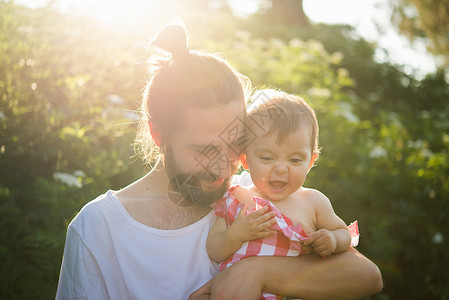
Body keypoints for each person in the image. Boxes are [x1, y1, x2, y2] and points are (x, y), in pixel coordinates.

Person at [56, 24, 382, 300]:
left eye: (235, 145)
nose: (223, 168)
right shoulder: (99, 229)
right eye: (203, 150)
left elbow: (366, 276)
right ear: (159, 134)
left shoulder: (254, 196)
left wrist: (257, 271)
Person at [204, 90, 359, 300]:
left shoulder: (313, 202)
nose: (281, 169)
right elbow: (214, 249)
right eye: (267, 158)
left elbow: (344, 234)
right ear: (245, 159)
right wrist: (236, 234)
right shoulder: (236, 199)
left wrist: (332, 239)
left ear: (310, 162)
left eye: (295, 160)